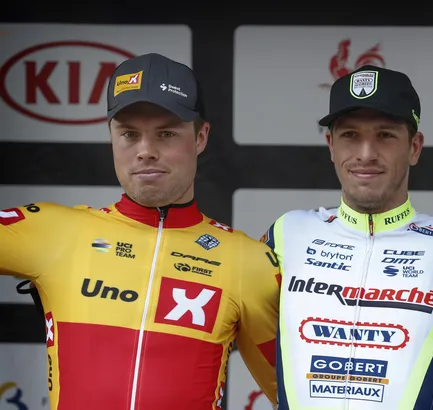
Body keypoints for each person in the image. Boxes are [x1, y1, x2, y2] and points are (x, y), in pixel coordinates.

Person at [1, 53, 280, 410]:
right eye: (129, 134)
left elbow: (296, 395)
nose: (146, 151)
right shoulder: (54, 230)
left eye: (166, 133)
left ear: (200, 137)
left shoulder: (247, 261)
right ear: (111, 138)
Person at [260, 65, 433, 409]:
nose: (366, 153)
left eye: (385, 135)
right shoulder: (287, 234)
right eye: (350, 135)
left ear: (415, 147)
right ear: (330, 145)